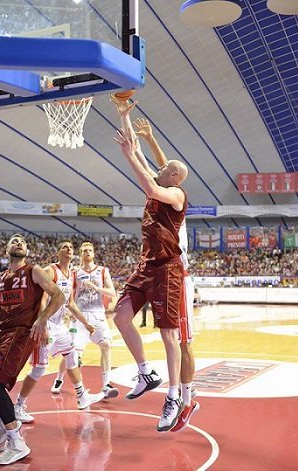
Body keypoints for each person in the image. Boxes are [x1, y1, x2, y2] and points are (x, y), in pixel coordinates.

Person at [112, 96, 189, 432]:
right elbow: (137, 153)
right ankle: (146, 371)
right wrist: (123, 114)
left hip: (168, 269)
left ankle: (173, 396)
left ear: (173, 175)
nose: (157, 167)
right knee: (120, 315)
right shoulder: (161, 182)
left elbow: (146, 177)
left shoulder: (176, 195)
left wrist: (131, 157)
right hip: (146, 265)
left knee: (169, 334)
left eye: (163, 168)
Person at [0, 234, 65, 466]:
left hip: (21, 334)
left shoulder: (34, 271)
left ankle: (16, 442)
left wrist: (42, 319)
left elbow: (59, 296)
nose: (19, 243)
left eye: (22, 242)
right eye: (14, 240)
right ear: (7, 248)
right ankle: (3, 421)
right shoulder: (0, 278)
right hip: (2, 334)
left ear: (26, 251)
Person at [134, 117, 199, 432]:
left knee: (184, 342)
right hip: (165, 272)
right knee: (179, 340)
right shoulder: (170, 189)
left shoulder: (175, 198)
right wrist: (149, 138)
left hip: (178, 275)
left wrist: (138, 148)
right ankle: (183, 396)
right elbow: (166, 168)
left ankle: (186, 400)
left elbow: (164, 174)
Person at [14, 240, 104, 424]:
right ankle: (18, 406)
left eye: (71, 247)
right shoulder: (50, 271)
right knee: (39, 368)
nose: (69, 249)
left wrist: (86, 323)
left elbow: (70, 304)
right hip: (45, 325)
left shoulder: (71, 275)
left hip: (60, 326)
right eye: (65, 247)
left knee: (72, 356)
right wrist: (42, 324)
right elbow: (42, 298)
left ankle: (81, 396)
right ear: (58, 252)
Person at [52, 241, 119, 399]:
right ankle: (59, 378)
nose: (87, 252)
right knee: (71, 351)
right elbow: (68, 293)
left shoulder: (103, 271)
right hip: (80, 316)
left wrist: (97, 288)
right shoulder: (74, 272)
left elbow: (112, 292)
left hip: (97, 315)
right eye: (84, 251)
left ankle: (106, 385)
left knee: (106, 345)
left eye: (90, 250)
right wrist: (67, 311)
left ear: (94, 254)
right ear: (81, 254)